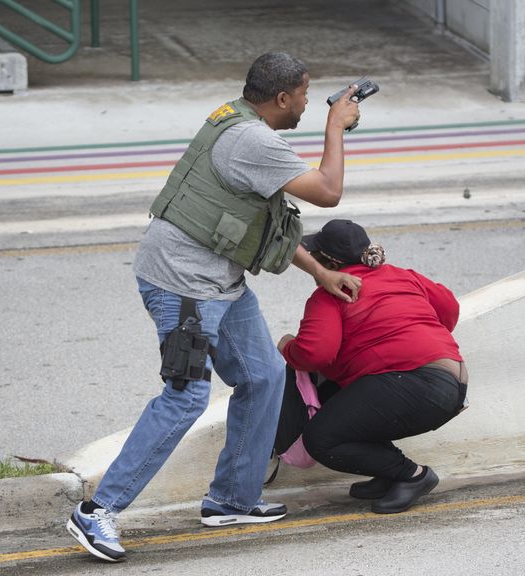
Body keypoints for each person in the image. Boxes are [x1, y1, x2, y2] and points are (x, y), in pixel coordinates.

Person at [66, 53, 362, 563]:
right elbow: (328, 191)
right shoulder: (253, 140)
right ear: (282, 99)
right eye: (307, 97)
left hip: (218, 281)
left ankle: (231, 498)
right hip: (182, 284)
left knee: (265, 376)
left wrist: (320, 271)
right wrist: (338, 125)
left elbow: (260, 221)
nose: (310, 106)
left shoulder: (239, 121)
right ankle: (97, 511)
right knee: (184, 397)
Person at [277, 219, 468, 515]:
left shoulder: (331, 295)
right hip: (453, 381)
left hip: (413, 385)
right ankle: (388, 473)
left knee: (321, 438)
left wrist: (287, 345)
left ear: (329, 262)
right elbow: (449, 308)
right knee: (354, 404)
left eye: (316, 256)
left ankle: (412, 475)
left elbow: (316, 354)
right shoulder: (403, 276)